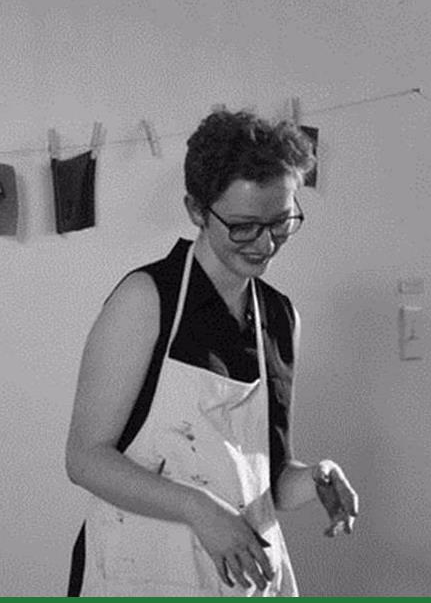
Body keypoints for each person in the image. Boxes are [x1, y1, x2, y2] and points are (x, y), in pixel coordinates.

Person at [65, 109, 359, 596]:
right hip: (139, 570)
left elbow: (270, 478)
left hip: (242, 576)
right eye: (244, 226)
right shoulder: (146, 299)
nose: (266, 244)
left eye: (281, 222)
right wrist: (198, 508)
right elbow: (85, 460)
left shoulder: (280, 318)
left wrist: (316, 479)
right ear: (197, 210)